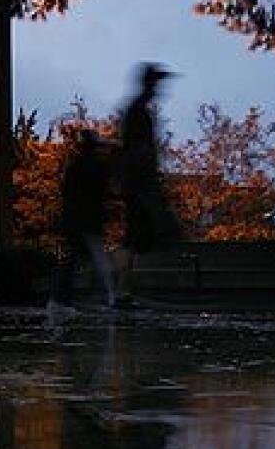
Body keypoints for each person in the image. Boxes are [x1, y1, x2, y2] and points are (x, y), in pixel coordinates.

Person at [116, 62, 182, 300]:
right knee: (139, 234)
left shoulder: (138, 110)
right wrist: (146, 180)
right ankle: (123, 288)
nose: (160, 89)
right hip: (140, 182)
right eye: (157, 83)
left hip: (139, 181)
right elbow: (137, 150)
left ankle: (125, 288)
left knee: (138, 235)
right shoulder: (138, 111)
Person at [48, 128, 116, 314]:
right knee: (98, 260)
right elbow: (105, 189)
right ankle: (107, 298)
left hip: (75, 220)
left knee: (73, 260)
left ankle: (61, 299)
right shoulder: (95, 166)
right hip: (88, 221)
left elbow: (67, 193)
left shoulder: (75, 167)